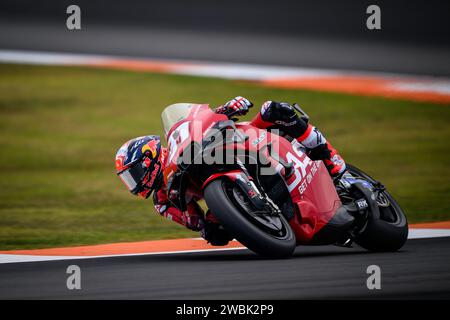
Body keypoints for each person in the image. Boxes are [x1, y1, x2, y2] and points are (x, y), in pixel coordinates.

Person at [115, 97, 346, 245]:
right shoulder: (163, 201)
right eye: (128, 179)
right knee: (216, 234)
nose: (133, 183)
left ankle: (330, 157)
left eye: (132, 174)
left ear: (148, 159)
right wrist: (207, 227)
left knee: (273, 109)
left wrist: (228, 108)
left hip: (246, 141)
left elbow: (201, 120)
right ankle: (262, 214)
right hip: (221, 186)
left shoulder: (178, 140)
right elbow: (193, 220)